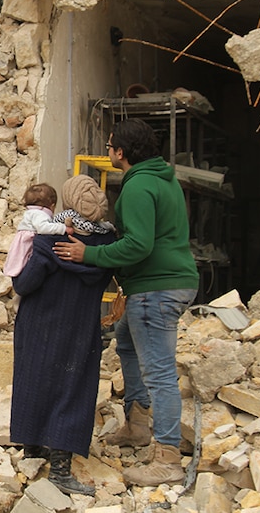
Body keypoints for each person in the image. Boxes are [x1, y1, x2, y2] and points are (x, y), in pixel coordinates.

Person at [53, 118, 199, 487]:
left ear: (120, 152)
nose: (107, 151)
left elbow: (138, 245)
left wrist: (88, 254)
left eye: (109, 146)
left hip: (157, 288)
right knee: (127, 341)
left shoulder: (137, 187)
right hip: (167, 282)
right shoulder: (163, 179)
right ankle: (137, 426)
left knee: (160, 372)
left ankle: (167, 458)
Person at [9, 174, 116, 496]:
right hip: (79, 328)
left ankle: (33, 448)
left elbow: (23, 285)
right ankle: (58, 465)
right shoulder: (107, 245)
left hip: (39, 324)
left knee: (33, 379)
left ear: (66, 205)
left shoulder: (48, 240)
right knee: (72, 389)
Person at [3, 183, 71, 278]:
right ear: (52, 206)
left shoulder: (31, 212)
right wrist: (63, 228)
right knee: (25, 259)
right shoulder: (40, 214)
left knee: (18, 258)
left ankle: (14, 271)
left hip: (23, 238)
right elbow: (43, 228)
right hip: (28, 240)